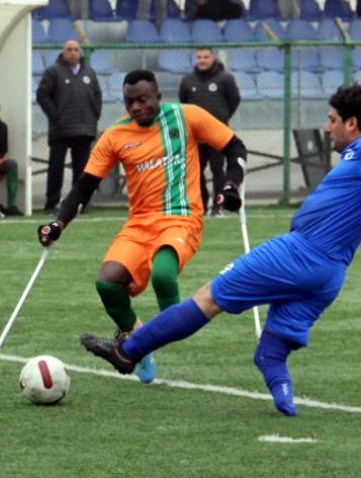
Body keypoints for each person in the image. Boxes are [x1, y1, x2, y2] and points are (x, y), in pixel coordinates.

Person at [80, 84, 361, 417]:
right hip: (329, 275)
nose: (327, 129)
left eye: (331, 120)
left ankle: (127, 352)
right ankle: (285, 400)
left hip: (298, 254)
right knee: (271, 353)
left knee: (208, 299)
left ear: (352, 123)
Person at [37, 69, 248, 384]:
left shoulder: (187, 117)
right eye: (129, 102)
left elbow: (235, 148)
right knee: (107, 282)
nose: (136, 108)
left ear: (158, 96)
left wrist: (231, 184)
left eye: (142, 100)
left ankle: (165, 331)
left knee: (163, 273)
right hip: (139, 223)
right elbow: (84, 187)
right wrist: (58, 223)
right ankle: (140, 344)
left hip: (181, 216)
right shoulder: (115, 135)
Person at [36, 39, 102, 214]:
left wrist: (94, 115)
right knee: (56, 168)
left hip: (84, 128)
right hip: (61, 129)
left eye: (76, 49)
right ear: (63, 52)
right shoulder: (53, 72)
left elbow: (97, 96)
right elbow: (42, 95)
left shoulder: (90, 72)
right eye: (69, 49)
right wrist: (55, 115)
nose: (73, 53)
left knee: (82, 170)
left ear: (80, 52)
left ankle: (79, 204)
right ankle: (51, 204)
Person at [178, 47, 240, 214]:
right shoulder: (188, 80)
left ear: (213, 58)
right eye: (199, 57)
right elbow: (183, 102)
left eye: (206, 57)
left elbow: (234, 100)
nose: (202, 60)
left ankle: (217, 206)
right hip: (195, 136)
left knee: (218, 170)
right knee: (195, 171)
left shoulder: (225, 78)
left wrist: (221, 119)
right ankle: (202, 205)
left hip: (217, 135)